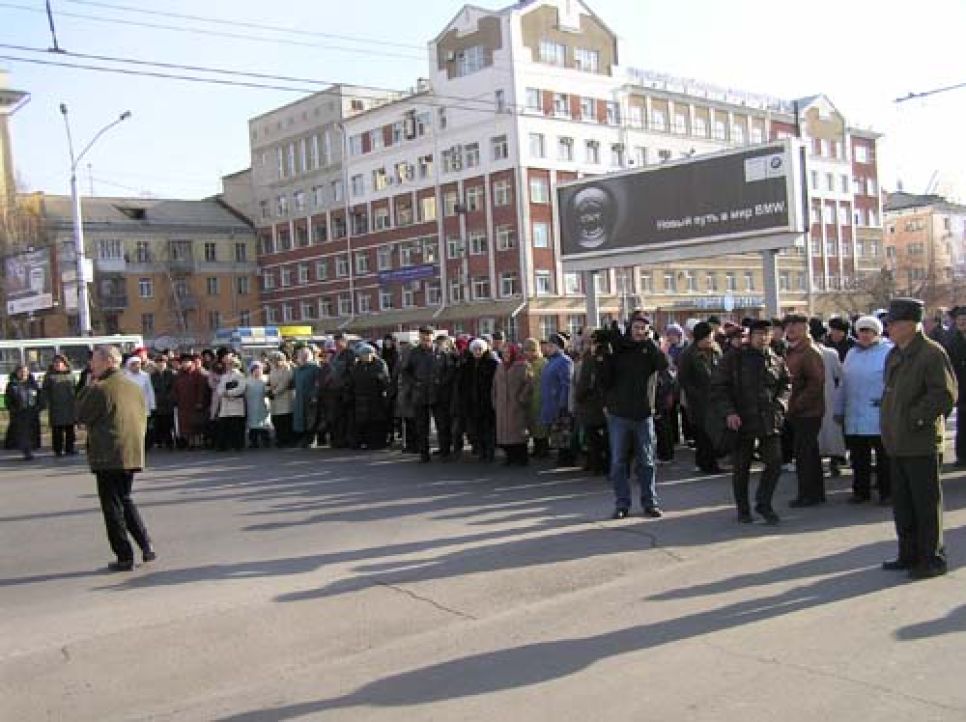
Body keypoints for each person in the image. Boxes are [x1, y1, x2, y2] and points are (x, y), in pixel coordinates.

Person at [879, 297, 958, 580]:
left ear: (910, 325)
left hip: (920, 440)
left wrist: (915, 417)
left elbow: (944, 395)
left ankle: (932, 558)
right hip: (897, 440)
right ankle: (908, 553)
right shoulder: (895, 353)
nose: (888, 328)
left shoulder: (931, 353)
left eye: (894, 323)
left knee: (925, 504)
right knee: (903, 503)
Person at [76, 345, 154, 572]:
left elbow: (81, 414)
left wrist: (88, 386)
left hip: (108, 454)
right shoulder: (132, 386)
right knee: (125, 499)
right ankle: (146, 544)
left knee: (112, 506)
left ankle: (124, 555)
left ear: (109, 362)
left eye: (95, 361)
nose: (91, 365)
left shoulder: (101, 388)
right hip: (130, 452)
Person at [711, 319, 790, 524]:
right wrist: (729, 412)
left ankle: (763, 502)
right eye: (758, 334)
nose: (762, 338)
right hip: (741, 419)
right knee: (742, 467)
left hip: (768, 419)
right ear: (750, 336)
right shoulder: (734, 359)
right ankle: (743, 509)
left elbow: (786, 385)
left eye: (766, 334)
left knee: (774, 462)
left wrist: (781, 404)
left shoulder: (776, 359)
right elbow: (719, 387)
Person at [599, 313, 669, 519]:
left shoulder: (650, 350)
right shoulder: (618, 348)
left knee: (647, 461)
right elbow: (604, 379)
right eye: (637, 327)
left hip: (643, 414)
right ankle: (622, 504)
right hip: (619, 414)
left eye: (644, 328)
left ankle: (650, 503)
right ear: (629, 328)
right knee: (619, 462)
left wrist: (654, 344)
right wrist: (603, 355)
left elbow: (664, 367)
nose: (640, 332)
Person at [834, 315, 893, 504]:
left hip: (879, 412)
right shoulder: (852, 354)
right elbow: (843, 383)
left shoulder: (888, 352)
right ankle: (861, 491)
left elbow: (893, 382)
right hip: (855, 412)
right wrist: (839, 408)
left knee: (884, 457)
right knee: (859, 457)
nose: (865, 335)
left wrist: (887, 402)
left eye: (869, 331)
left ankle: (887, 492)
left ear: (877, 332)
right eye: (862, 331)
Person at [783, 313, 826, 507]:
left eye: (796, 325)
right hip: (798, 410)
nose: (791, 329)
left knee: (805, 454)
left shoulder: (809, 351)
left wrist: (796, 404)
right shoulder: (792, 350)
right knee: (807, 453)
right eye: (788, 326)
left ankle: (808, 494)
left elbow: (816, 384)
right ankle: (813, 493)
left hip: (807, 411)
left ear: (805, 328)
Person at [676, 321, 722, 474]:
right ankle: (706, 464)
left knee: (713, 432)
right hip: (698, 402)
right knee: (703, 434)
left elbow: (721, 370)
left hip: (716, 399)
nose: (710, 340)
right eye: (707, 337)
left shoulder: (715, 350)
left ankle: (710, 462)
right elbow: (683, 379)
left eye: (711, 336)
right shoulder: (688, 354)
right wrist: (696, 394)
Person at [403, 326, 452, 462]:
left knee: (441, 425)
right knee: (421, 426)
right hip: (420, 394)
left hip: (437, 393)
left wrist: (441, 382)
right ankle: (424, 453)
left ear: (432, 338)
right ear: (419, 338)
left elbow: (449, 370)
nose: (426, 342)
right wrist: (414, 383)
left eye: (428, 339)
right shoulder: (414, 353)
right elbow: (406, 371)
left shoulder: (441, 352)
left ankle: (445, 452)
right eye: (423, 339)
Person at [492, 342, 533, 466]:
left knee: (518, 433)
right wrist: (495, 400)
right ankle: (510, 457)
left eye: (508, 352)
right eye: (504, 353)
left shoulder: (523, 366)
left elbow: (529, 384)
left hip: (516, 405)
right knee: (505, 434)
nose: (506, 355)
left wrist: (522, 398)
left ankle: (521, 458)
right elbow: (494, 386)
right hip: (502, 405)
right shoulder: (499, 367)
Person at [539, 333, 575, 466]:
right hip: (550, 402)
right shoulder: (550, 361)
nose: (548, 348)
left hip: (560, 404)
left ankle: (567, 457)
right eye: (548, 345)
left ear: (559, 347)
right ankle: (561, 455)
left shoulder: (565, 361)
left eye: (551, 345)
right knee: (556, 433)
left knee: (563, 432)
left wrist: (563, 403)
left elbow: (566, 384)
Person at [460, 338, 498, 462]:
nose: (478, 352)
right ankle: (482, 452)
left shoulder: (492, 363)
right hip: (473, 402)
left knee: (489, 429)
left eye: (480, 349)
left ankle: (490, 452)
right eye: (475, 349)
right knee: (477, 429)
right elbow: (463, 384)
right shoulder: (468, 364)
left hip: (487, 402)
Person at [348, 344, 391, 450]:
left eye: (368, 354)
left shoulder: (380, 364)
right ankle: (363, 442)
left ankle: (377, 443)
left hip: (376, 397)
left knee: (376, 422)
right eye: (363, 355)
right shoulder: (357, 366)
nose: (365, 356)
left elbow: (385, 380)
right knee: (362, 422)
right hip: (360, 397)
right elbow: (352, 380)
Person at [172, 354, 209, 449]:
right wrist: (175, 399)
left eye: (187, 362)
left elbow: (201, 390)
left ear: (191, 363)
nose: (185, 364)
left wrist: (200, 402)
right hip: (182, 404)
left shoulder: (198, 374)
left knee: (195, 423)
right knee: (184, 424)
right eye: (183, 362)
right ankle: (188, 442)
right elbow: (175, 389)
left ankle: (197, 442)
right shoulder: (178, 375)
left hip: (194, 403)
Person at [42, 354, 77, 456]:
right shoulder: (49, 376)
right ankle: (58, 450)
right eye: (55, 362)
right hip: (56, 407)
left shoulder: (70, 375)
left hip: (69, 407)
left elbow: (75, 390)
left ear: (65, 363)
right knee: (57, 430)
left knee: (70, 429)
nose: (57, 364)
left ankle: (69, 449)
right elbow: (45, 391)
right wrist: (46, 403)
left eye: (59, 362)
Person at [5, 365, 41, 460]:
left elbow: (39, 397)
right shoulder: (12, 384)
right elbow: (8, 400)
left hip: (32, 412)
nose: (23, 373)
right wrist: (13, 409)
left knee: (31, 433)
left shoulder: (33, 384)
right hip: (19, 413)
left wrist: (39, 407)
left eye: (25, 371)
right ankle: (27, 452)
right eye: (21, 371)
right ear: (16, 373)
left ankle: (30, 449)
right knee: (23, 433)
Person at [946, 306, 966, 467]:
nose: (962, 322)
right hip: (961, 388)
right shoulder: (952, 340)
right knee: (963, 423)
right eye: (960, 320)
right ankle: (962, 456)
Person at [522, 338, 548, 458]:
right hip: (532, 399)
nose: (526, 353)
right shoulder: (529, 364)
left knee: (541, 426)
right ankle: (537, 449)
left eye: (528, 351)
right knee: (534, 425)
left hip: (541, 398)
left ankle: (543, 450)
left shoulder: (543, 363)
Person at [123, 356, 156, 448]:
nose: (137, 366)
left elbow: (150, 391)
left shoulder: (145, 376)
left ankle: (146, 444)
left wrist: (152, 405)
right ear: (129, 366)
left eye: (138, 364)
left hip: (144, 405)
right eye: (134, 365)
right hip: (130, 406)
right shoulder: (125, 377)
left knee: (144, 426)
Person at [216, 356, 247, 451]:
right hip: (225, 404)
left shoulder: (240, 375)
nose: (228, 366)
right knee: (224, 426)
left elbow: (241, 389)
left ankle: (238, 445)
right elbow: (219, 388)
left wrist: (228, 393)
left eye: (231, 364)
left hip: (236, 403)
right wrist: (223, 393)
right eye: (228, 364)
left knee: (236, 426)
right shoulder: (224, 376)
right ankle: (224, 445)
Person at [292, 346, 321, 448]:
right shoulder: (297, 370)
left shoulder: (315, 368)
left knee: (311, 419)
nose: (303, 357)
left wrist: (314, 395)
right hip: (300, 398)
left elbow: (317, 383)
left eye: (306, 355)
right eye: (301, 355)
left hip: (310, 398)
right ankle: (303, 439)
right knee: (301, 419)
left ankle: (311, 439)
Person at [266, 350, 295, 448]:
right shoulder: (273, 369)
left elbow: (284, 383)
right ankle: (280, 439)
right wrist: (268, 389)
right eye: (272, 360)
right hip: (275, 400)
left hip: (285, 399)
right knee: (276, 420)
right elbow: (269, 381)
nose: (274, 362)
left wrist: (273, 392)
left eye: (276, 360)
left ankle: (287, 440)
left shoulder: (287, 369)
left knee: (285, 421)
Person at [149, 355, 177, 450]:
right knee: (159, 423)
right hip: (158, 402)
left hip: (169, 403)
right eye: (158, 362)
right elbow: (151, 389)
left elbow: (174, 388)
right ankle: (160, 442)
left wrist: (170, 398)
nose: (161, 364)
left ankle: (170, 442)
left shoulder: (172, 374)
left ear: (166, 363)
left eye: (163, 362)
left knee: (169, 423)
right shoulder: (152, 376)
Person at [245, 362, 271, 449]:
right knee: (253, 424)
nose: (257, 372)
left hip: (263, 404)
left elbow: (269, 391)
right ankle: (253, 442)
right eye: (255, 370)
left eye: (259, 369)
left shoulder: (266, 379)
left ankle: (266, 441)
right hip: (251, 404)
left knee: (264, 423)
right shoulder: (247, 381)